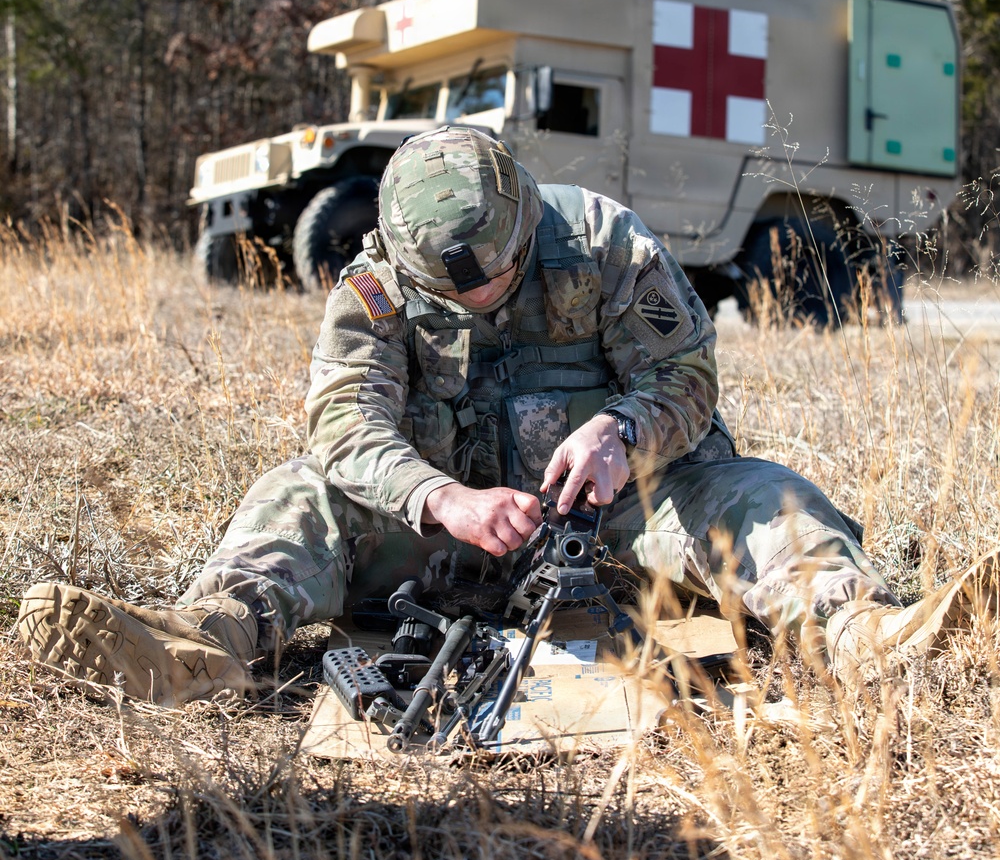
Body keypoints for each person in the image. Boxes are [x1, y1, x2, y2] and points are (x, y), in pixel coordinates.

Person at [17, 126, 996, 706]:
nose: (483, 296)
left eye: (501, 274)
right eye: (456, 291)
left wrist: (621, 431)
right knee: (298, 493)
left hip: (620, 526)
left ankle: (864, 633)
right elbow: (344, 428)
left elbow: (686, 377)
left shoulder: (607, 243)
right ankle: (201, 642)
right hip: (437, 539)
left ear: (527, 215)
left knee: (757, 493)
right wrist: (440, 498)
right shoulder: (373, 289)